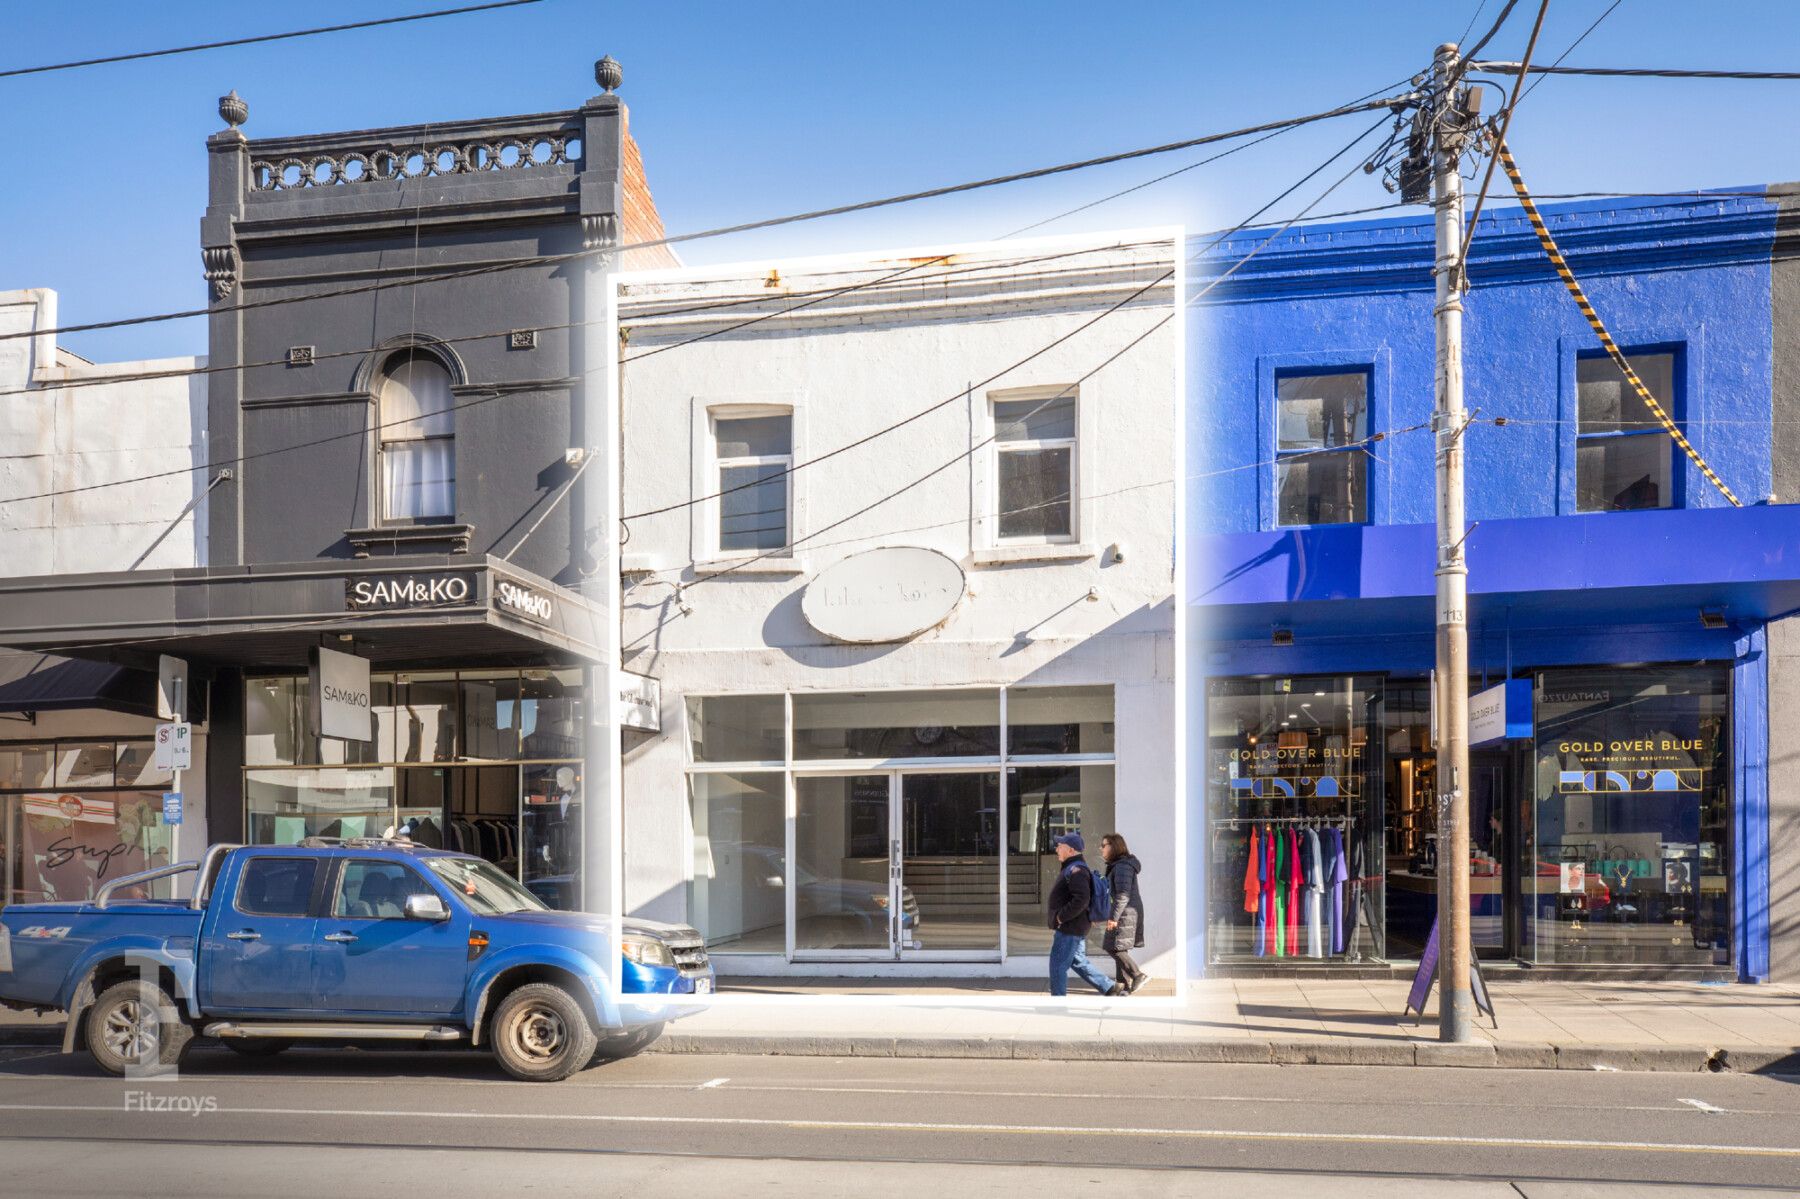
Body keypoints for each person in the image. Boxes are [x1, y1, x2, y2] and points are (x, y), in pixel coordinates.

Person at [1046, 833, 1120, 998]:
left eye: (1060, 846)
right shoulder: (1072, 867)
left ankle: (1057, 1003)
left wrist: (1060, 917)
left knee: (1058, 965)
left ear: (1071, 850)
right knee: (1077, 960)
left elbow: (1081, 899)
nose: (1056, 849)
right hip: (1075, 925)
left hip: (1069, 927)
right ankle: (1109, 987)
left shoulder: (1077, 870)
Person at [1099, 833, 1148, 993]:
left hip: (1125, 913)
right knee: (1119, 947)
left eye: (1104, 845)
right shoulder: (1118, 865)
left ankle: (1137, 975)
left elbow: (1123, 895)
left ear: (1113, 847)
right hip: (1124, 911)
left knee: (1112, 946)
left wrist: (1114, 917)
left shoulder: (1122, 866)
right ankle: (1122, 985)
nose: (1101, 848)